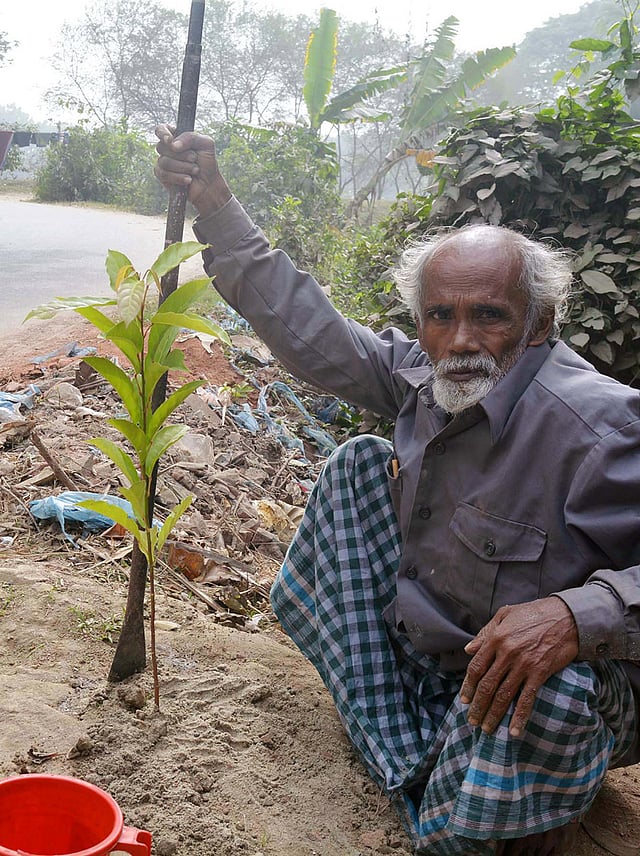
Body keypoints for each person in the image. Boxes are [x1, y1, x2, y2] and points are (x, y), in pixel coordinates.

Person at [155, 125, 640, 856]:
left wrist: (577, 614)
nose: (460, 340)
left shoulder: (604, 428)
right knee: (359, 464)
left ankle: (506, 809)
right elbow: (315, 332)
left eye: (489, 315)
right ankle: (420, 754)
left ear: (538, 323)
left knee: (554, 689)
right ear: (421, 322)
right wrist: (216, 204)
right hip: (453, 653)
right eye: (441, 316)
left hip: (568, 682)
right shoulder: (423, 376)